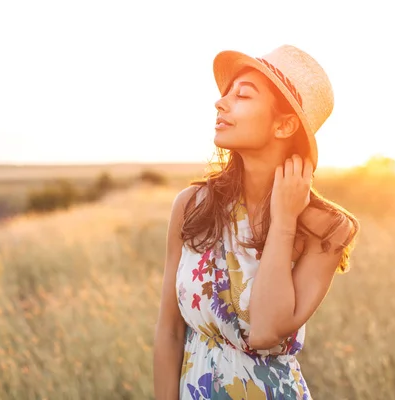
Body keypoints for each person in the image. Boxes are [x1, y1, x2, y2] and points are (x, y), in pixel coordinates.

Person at [153, 44, 360, 400]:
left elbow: (265, 330)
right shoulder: (192, 207)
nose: (221, 103)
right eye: (226, 94)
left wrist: (284, 221)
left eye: (243, 95)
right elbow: (170, 331)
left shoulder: (326, 229)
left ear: (284, 124)